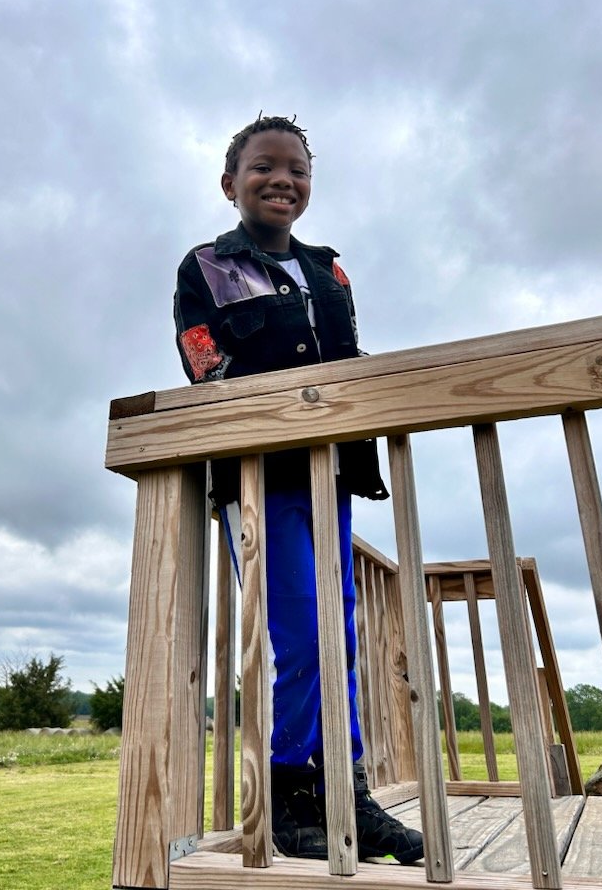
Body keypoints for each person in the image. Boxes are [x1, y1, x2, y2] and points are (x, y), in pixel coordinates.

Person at [174, 115, 423, 865]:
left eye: (298, 171)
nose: (283, 180)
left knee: (339, 631)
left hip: (332, 471)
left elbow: (349, 361)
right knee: (297, 631)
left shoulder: (331, 272)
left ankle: (347, 791)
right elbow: (205, 367)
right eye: (264, 167)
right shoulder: (207, 267)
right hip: (259, 476)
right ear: (231, 184)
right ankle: (287, 792)